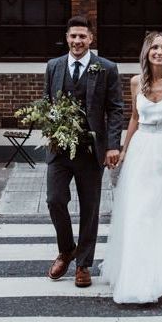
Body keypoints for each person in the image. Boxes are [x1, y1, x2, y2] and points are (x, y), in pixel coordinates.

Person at [100, 31, 162, 304]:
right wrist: (124, 149)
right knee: (140, 213)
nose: (159, 51)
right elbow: (134, 117)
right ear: (147, 52)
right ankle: (138, 274)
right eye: (154, 47)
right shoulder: (135, 82)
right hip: (142, 151)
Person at [44, 15, 124, 288]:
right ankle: (67, 249)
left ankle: (83, 265)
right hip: (60, 149)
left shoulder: (106, 68)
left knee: (90, 208)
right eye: (73, 36)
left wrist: (113, 145)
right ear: (67, 38)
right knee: (55, 200)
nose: (77, 41)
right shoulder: (53, 67)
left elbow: (115, 109)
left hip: (91, 151)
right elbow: (47, 104)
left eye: (82, 36)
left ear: (91, 39)